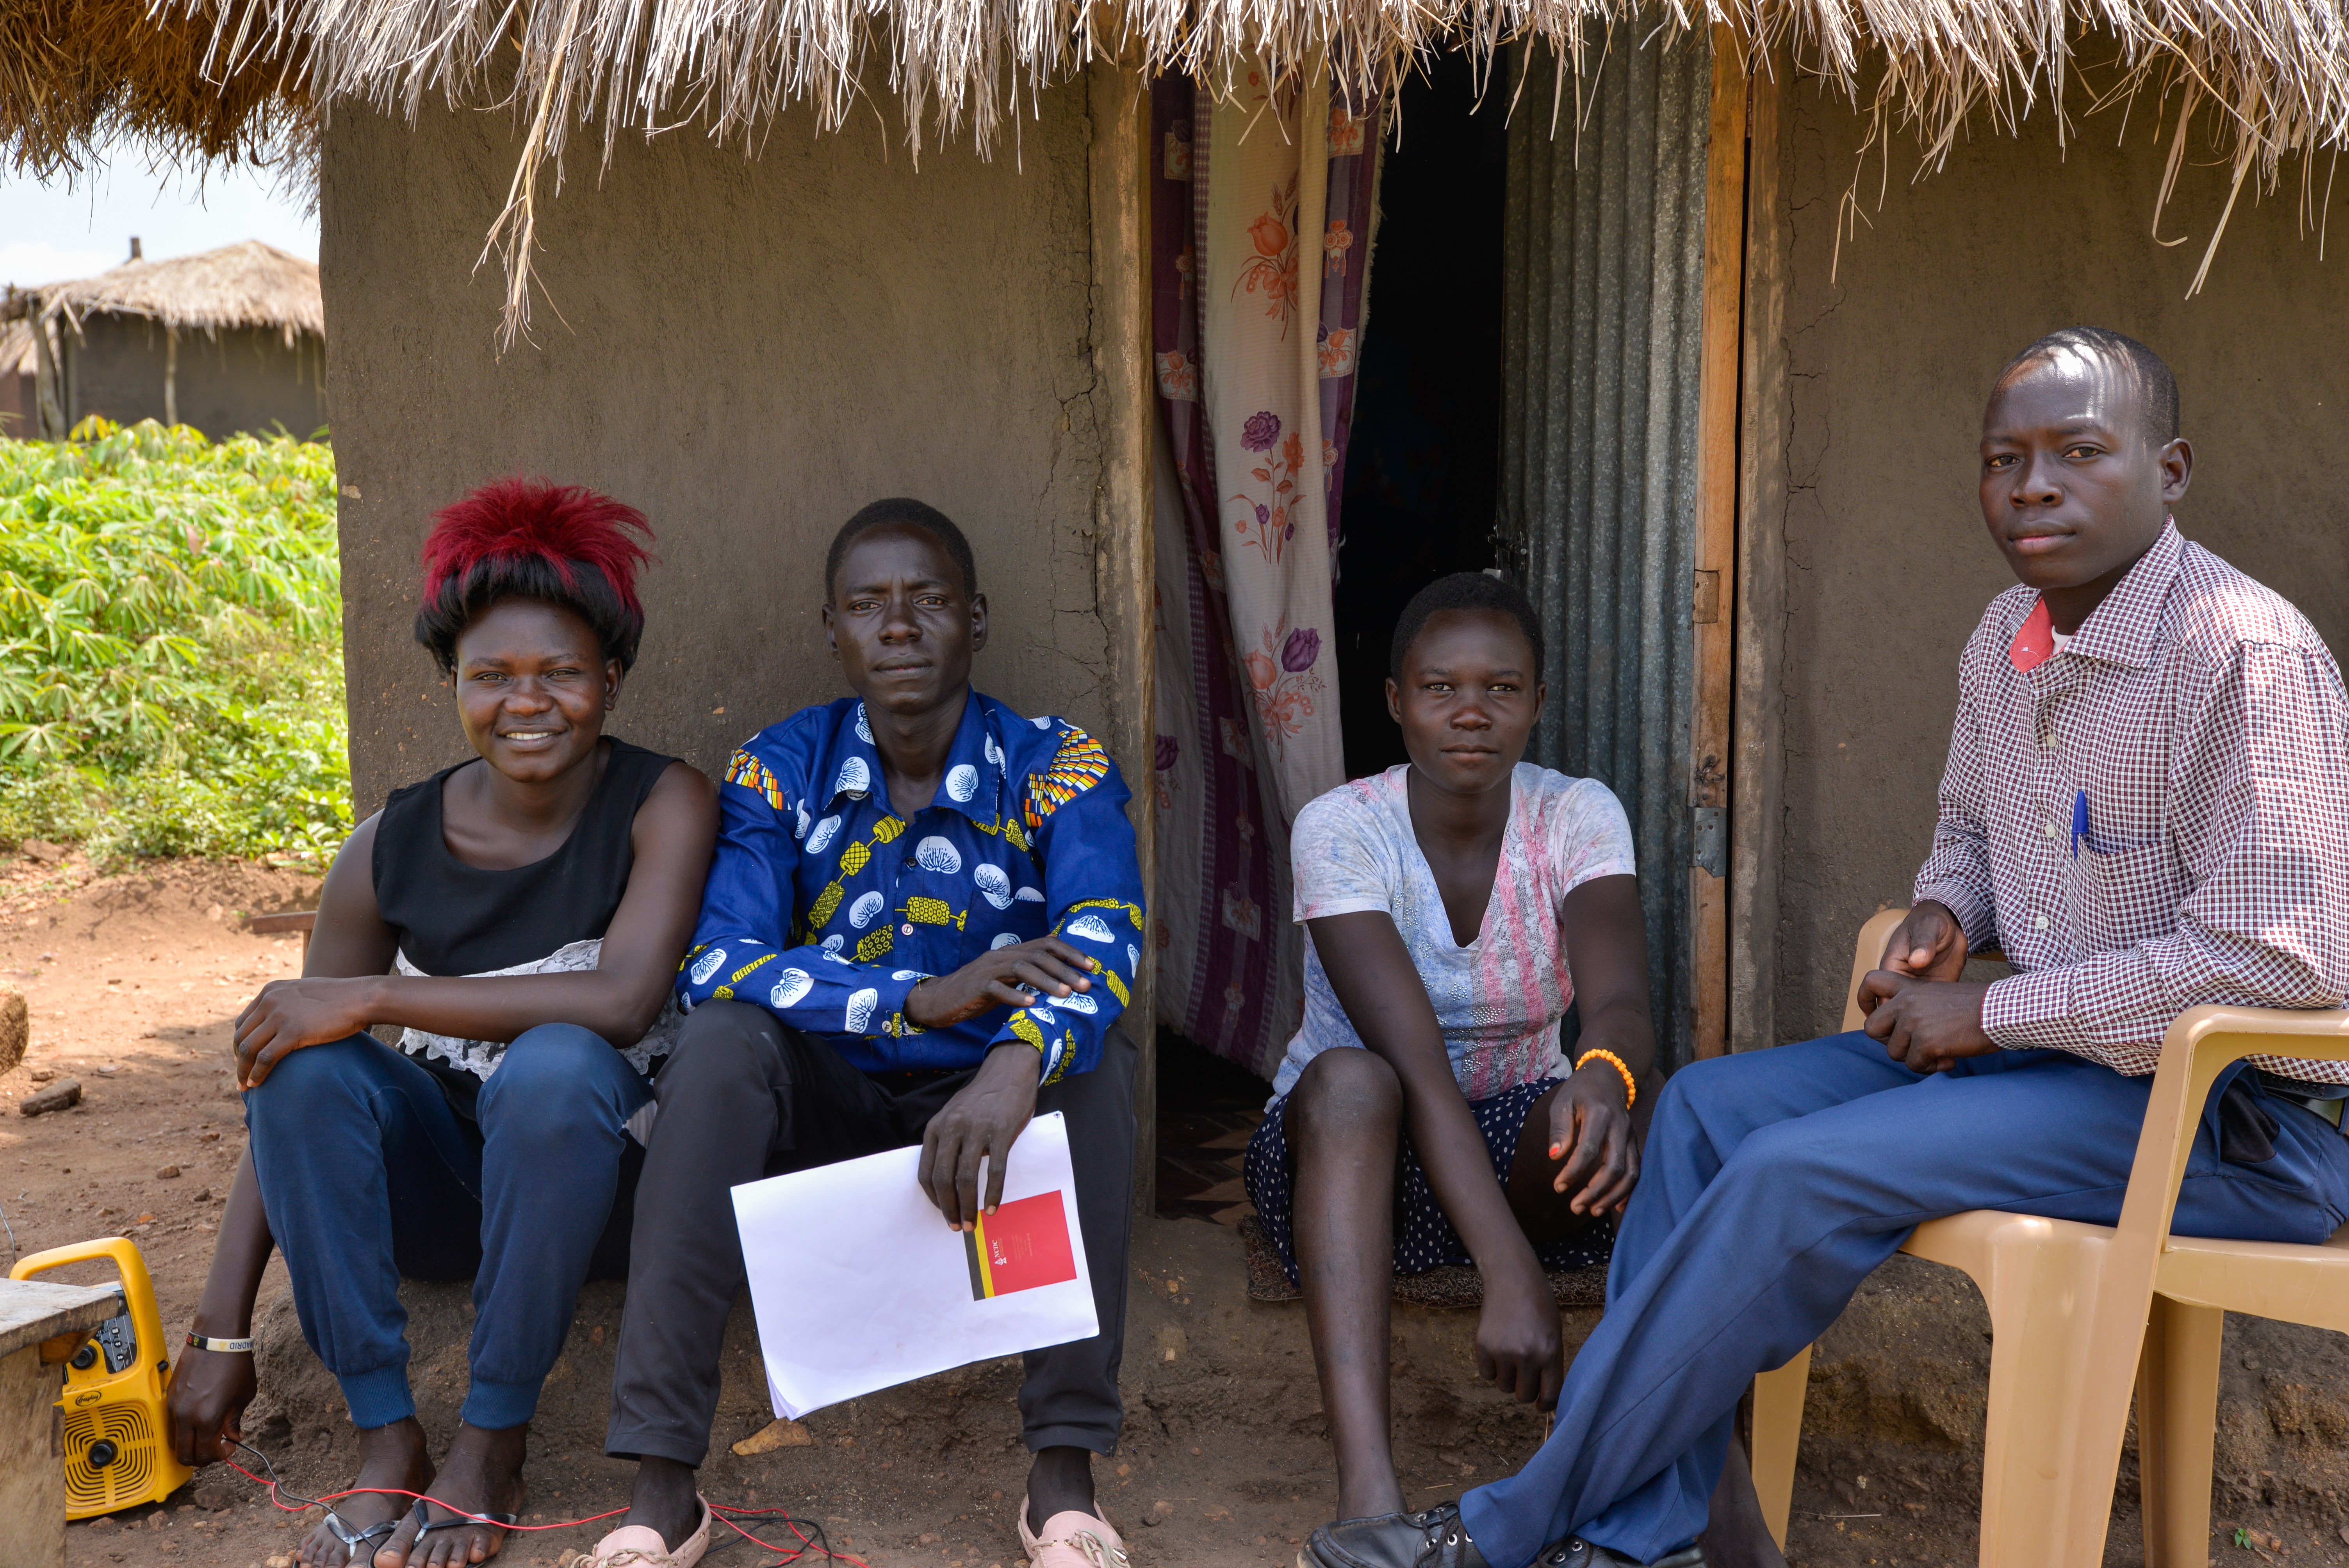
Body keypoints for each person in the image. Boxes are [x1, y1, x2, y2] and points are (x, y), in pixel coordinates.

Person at [1299, 327, 2349, 1568]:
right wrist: (1949, 915)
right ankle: (1645, 1541)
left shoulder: (2245, 655)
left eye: (2079, 453)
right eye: (2004, 458)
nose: (2034, 488)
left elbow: (2291, 962)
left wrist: (1998, 1015)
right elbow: (1972, 833)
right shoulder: (2009, 640)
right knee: (1695, 1117)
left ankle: (1511, 1534)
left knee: (1791, 1172)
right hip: (2069, 1068)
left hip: (2238, 1120)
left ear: (2169, 470)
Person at [164, 480, 719, 1568]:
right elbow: (282, 1071)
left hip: (596, 1196)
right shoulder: (386, 847)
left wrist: (374, 996)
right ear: (450, 686)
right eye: (492, 677)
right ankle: (387, 1437)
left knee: (557, 1066)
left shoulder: (665, 803)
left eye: (563, 673)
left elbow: (623, 1003)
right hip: (442, 1203)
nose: (530, 701)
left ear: (611, 679)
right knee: (306, 1067)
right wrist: (223, 1327)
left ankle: (492, 1443)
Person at [585, 499, 1147, 1568]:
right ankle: (664, 1492)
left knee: (1097, 1066)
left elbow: (1107, 938)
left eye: (929, 601)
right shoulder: (776, 770)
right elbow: (719, 964)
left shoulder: (1056, 765)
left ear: (975, 619)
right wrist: (911, 1000)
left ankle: (1064, 1484)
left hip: (989, 1125)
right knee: (717, 1048)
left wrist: (1012, 1064)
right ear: (832, 628)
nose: (899, 628)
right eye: (867, 606)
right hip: (830, 1108)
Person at [1242, 572, 1654, 1516]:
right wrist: (1509, 1272)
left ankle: (1671, 1483)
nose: (1470, 713)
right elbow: (1418, 1068)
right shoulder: (1341, 827)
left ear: (1538, 702)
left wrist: (1604, 1072)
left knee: (1651, 1099)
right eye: (1439, 689)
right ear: (1395, 702)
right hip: (1345, 1173)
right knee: (1355, 1081)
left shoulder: (1577, 816)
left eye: (1501, 689)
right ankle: (1369, 1505)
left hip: (1512, 1147)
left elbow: (1622, 1004)